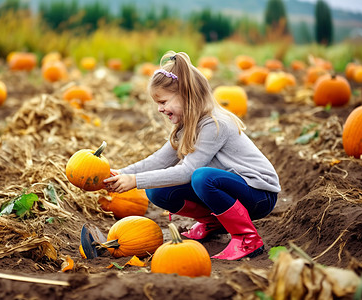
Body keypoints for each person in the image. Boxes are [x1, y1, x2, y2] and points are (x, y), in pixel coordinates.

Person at [103, 51, 281, 261]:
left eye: (163, 101)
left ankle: (247, 238)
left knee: (202, 177)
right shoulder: (185, 128)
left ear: (187, 95)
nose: (160, 109)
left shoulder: (215, 124)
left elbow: (187, 172)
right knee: (157, 191)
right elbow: (158, 161)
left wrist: (134, 181)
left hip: (258, 195)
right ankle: (213, 223)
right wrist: (119, 174)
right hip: (233, 192)